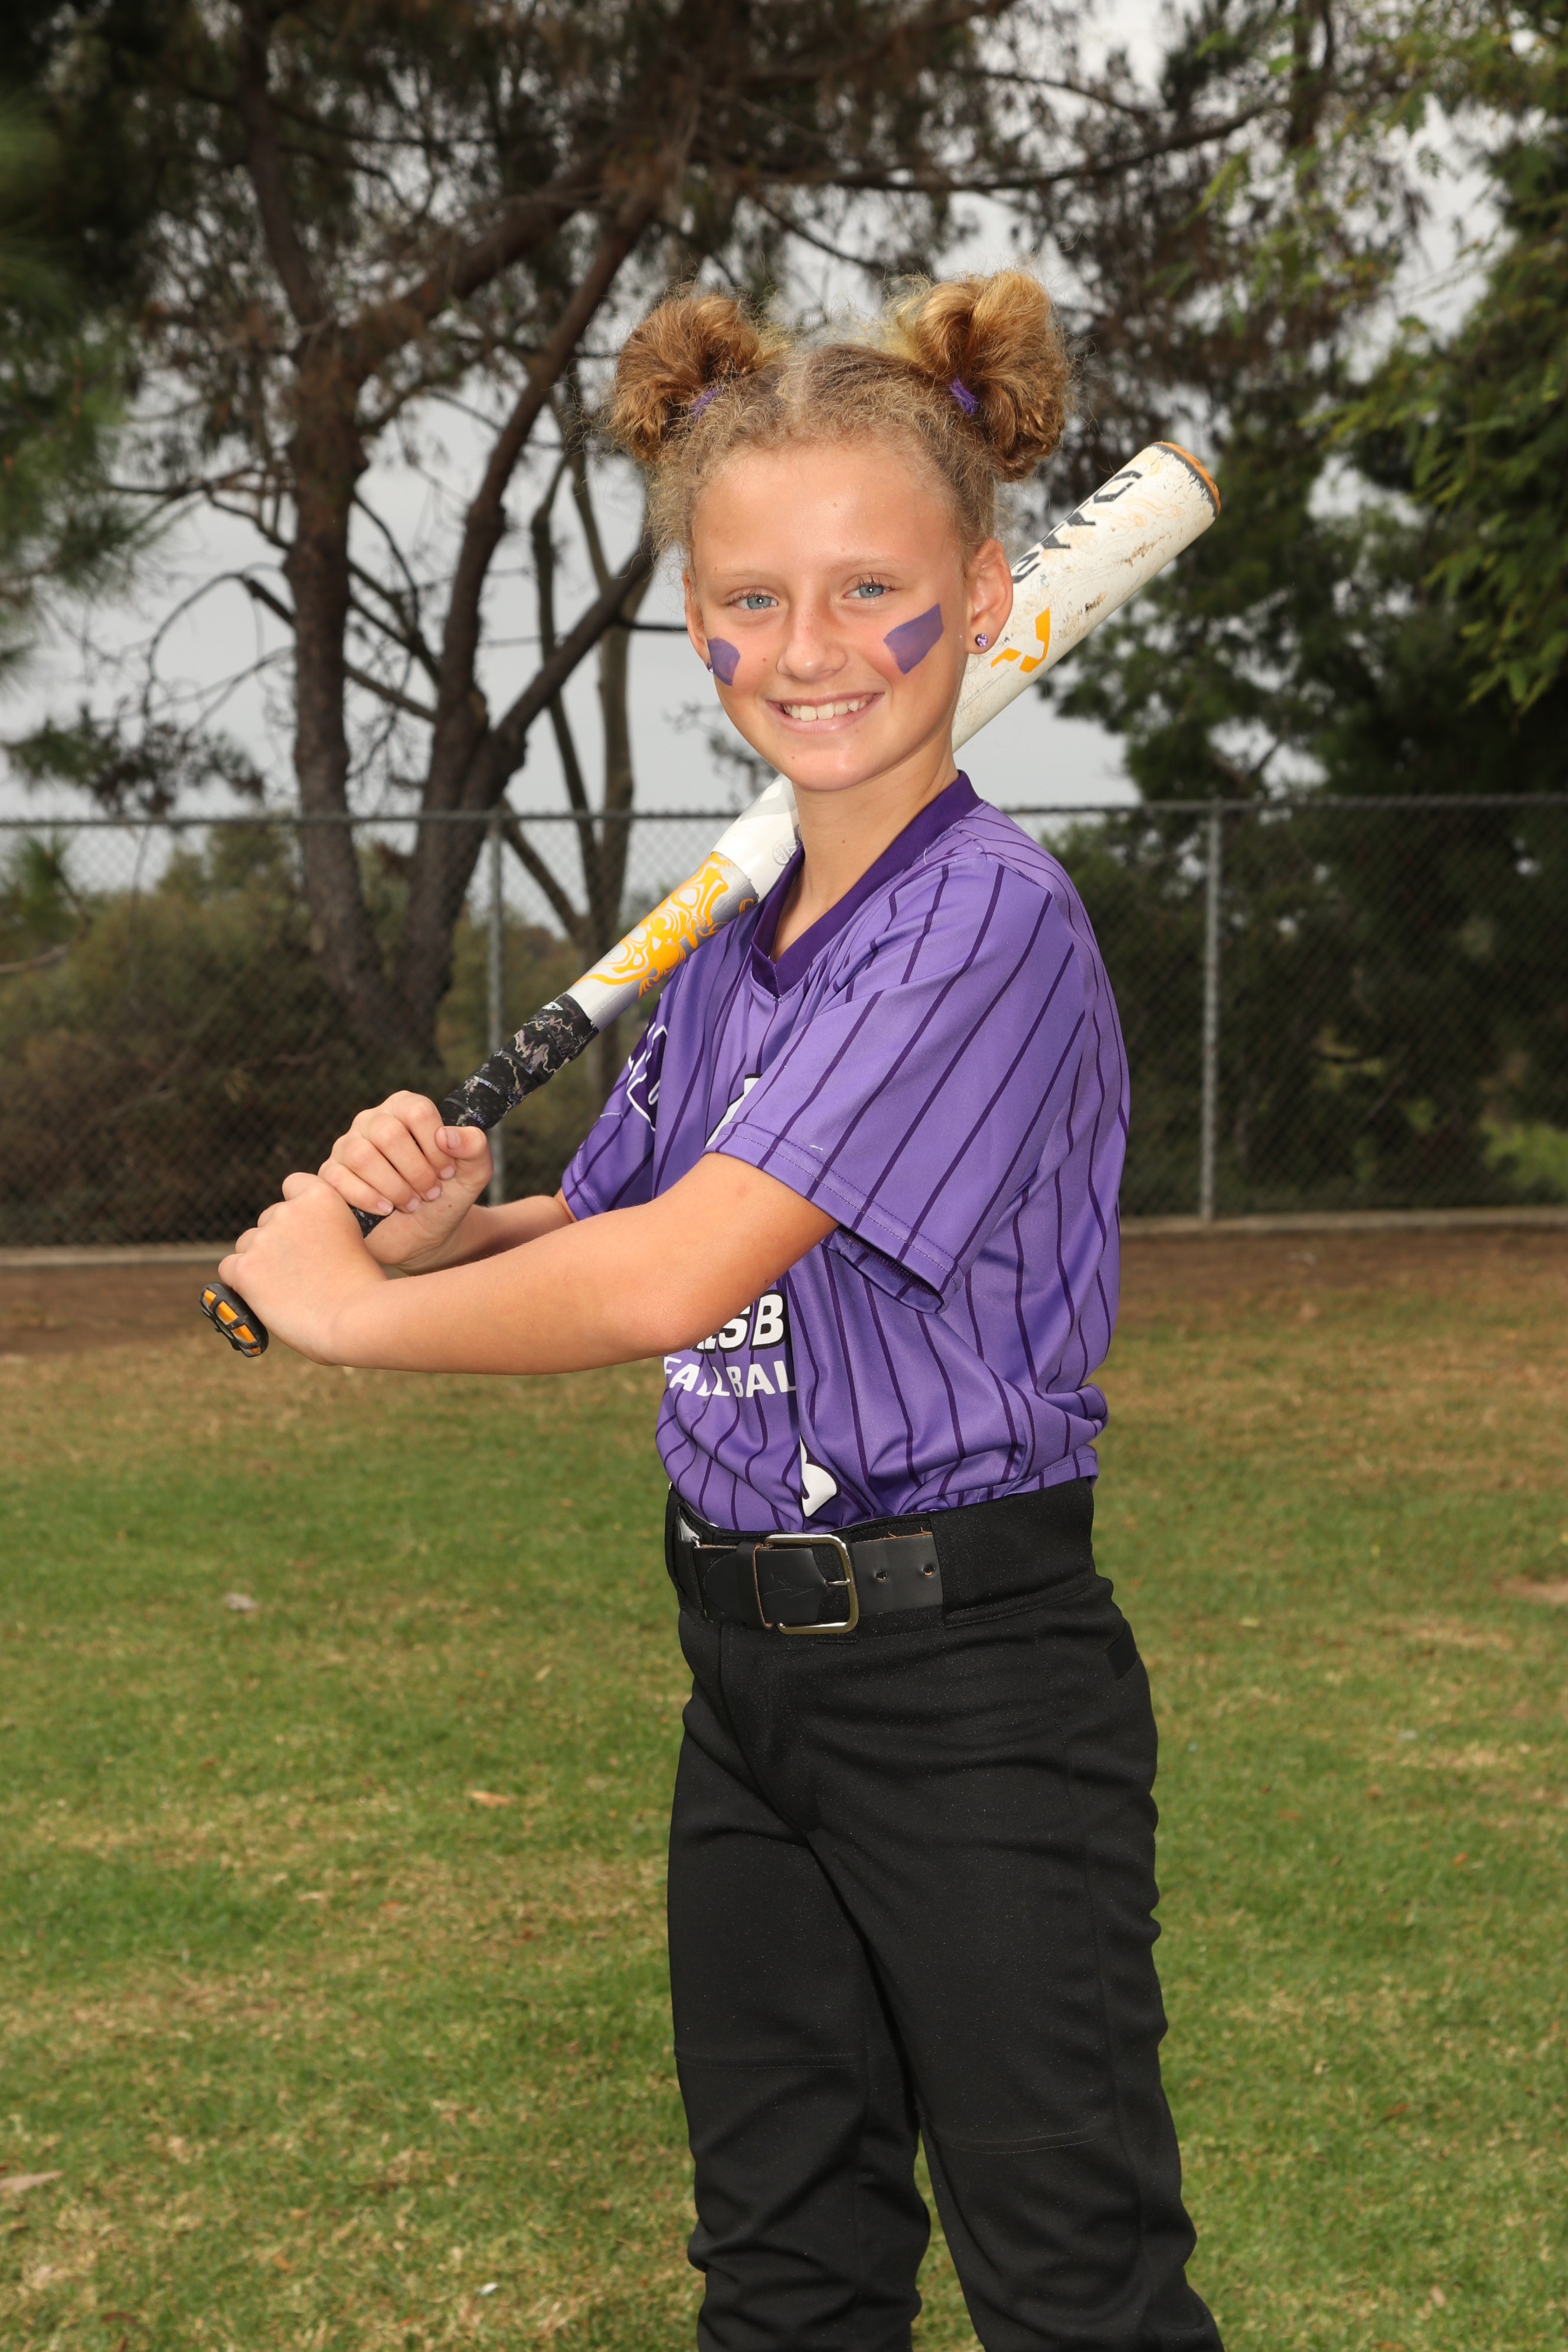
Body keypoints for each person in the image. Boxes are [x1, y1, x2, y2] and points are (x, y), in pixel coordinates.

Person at [222, 269, 1223, 2352]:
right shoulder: (744, 941)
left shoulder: (981, 926)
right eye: (754, 598)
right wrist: (432, 1232)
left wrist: (347, 1324)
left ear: (986, 592)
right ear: (697, 625)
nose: (813, 646)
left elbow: (678, 1276)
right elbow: (607, 1221)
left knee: (1073, 2287)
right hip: (748, 1683)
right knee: (785, 2272)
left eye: (873, 590)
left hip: (969, 1688)